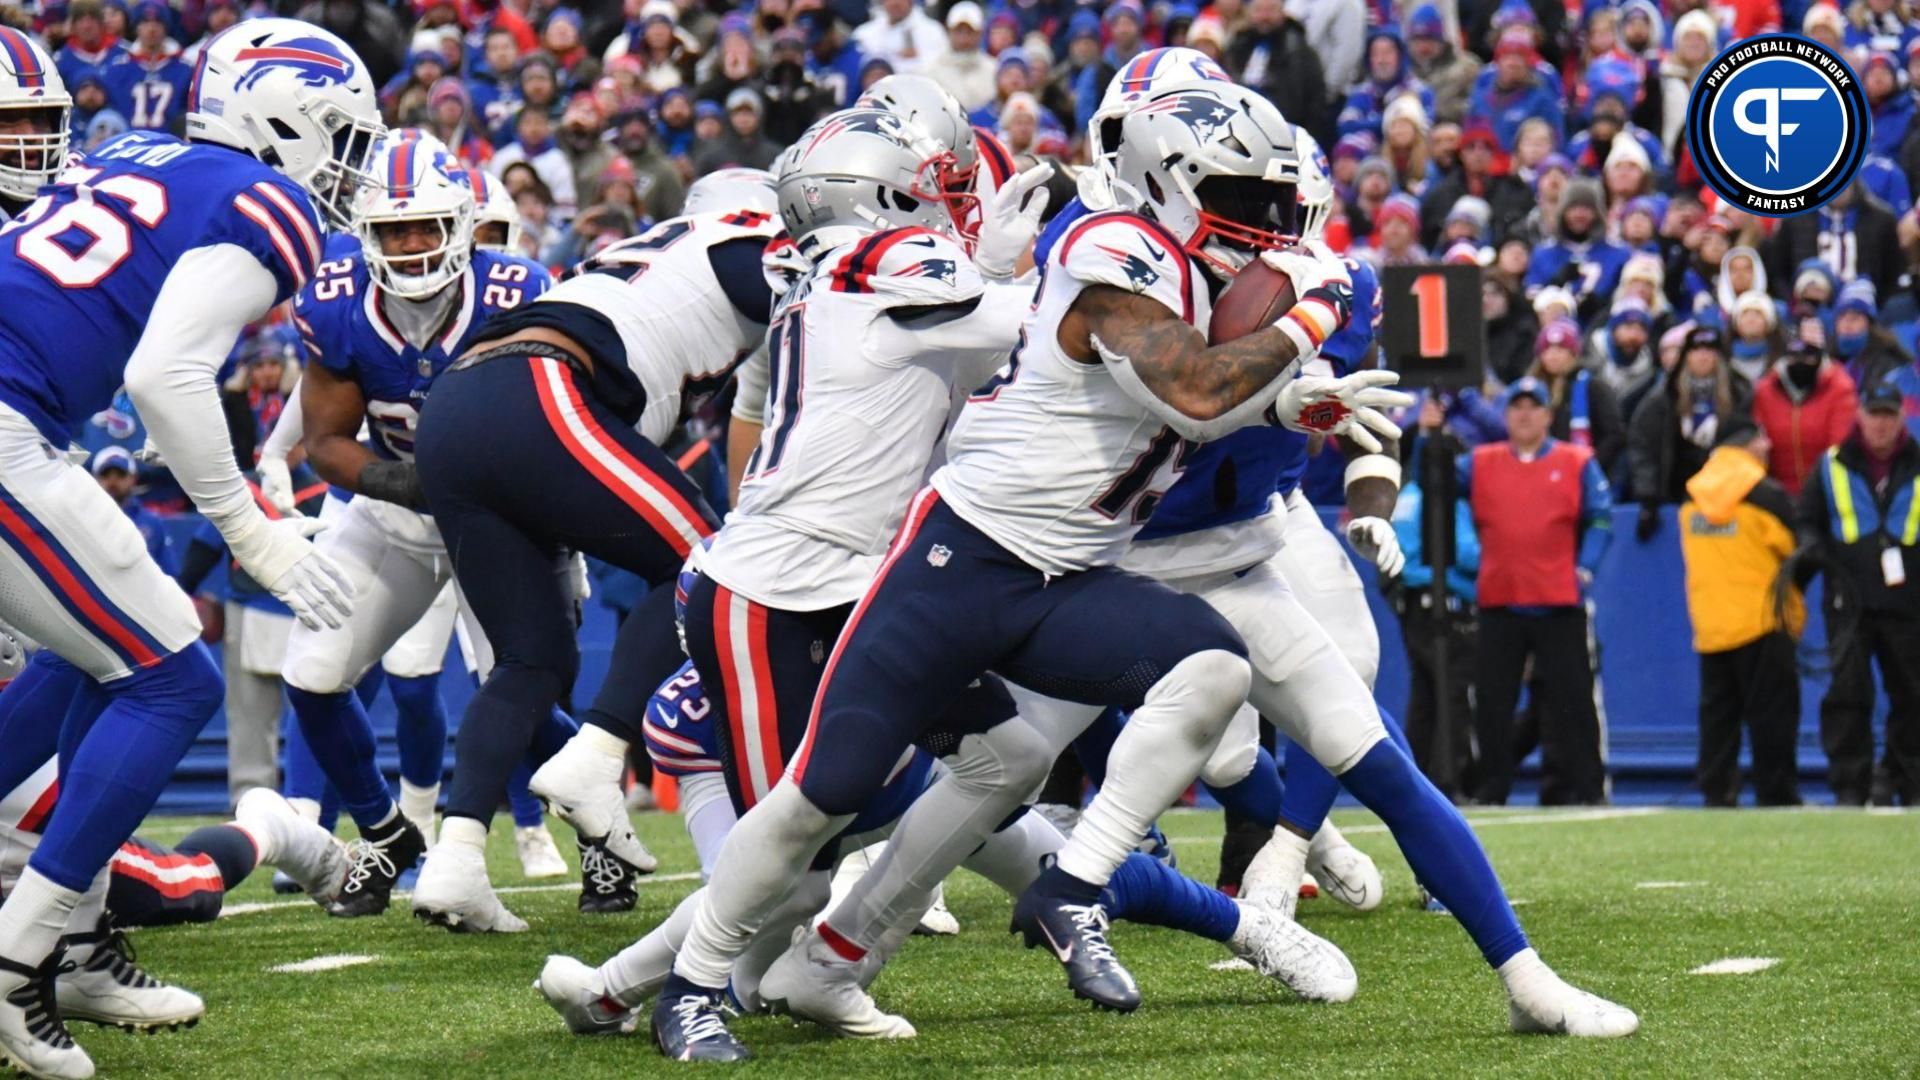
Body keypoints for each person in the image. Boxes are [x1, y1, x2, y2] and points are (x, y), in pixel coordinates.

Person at [0, 20, 383, 1078]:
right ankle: (21, 955)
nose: (349, 163)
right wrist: (248, 528)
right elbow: (165, 376)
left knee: (102, 656)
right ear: (284, 116)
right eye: (343, 135)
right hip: (6, 423)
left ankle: (70, 938)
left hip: (20, 420)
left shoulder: (127, 155)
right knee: (172, 678)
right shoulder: (272, 200)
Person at [413, 190, 782, 933]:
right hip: (543, 386)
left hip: (457, 408)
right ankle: (599, 756)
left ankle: (454, 860)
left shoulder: (658, 256)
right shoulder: (757, 242)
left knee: (531, 658)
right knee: (708, 562)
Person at [268, 135, 559, 921]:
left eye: (426, 226)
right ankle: (389, 833)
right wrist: (401, 479)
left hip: (501, 517)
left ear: (462, 225)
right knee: (314, 673)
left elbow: (558, 413)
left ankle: (596, 831)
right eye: (394, 230)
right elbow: (326, 440)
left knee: (524, 683)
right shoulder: (335, 299)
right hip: (393, 513)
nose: (410, 244)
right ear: (367, 235)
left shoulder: (517, 291)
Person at [1464, 378, 1614, 806]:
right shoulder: (1480, 461)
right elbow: (1435, 483)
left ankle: (1589, 789)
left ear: (1549, 415)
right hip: (1500, 599)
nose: (1525, 415)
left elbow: (1602, 516)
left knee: (1576, 703)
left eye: (1534, 407)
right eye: (1517, 407)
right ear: (1506, 414)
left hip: (1558, 601)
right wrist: (1429, 432)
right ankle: (1490, 788)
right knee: (1492, 703)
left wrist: (1586, 567)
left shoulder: (1577, 461)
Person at [1795, 385, 1920, 806]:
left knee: (1913, 693)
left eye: (1888, 414)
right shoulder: (1831, 465)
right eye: (1874, 414)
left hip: (1909, 602)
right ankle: (1851, 785)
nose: (1881, 423)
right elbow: (1807, 518)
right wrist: (1812, 548)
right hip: (1848, 599)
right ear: (1860, 416)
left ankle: (1910, 780)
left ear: (1901, 416)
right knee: (1848, 693)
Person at [1679, 419, 1805, 807]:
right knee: (1772, 716)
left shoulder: (1692, 496)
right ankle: (1776, 794)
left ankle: (1717, 793)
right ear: (1746, 444)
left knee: (1718, 717)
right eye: (1761, 438)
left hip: (1711, 621)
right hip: (1763, 620)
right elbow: (1799, 550)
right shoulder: (1766, 494)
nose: (1768, 445)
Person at [1751, 337, 1858, 498]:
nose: (1801, 362)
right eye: (1794, 356)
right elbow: (1758, 444)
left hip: (1827, 491)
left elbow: (1840, 447)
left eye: (1809, 357)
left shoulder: (1840, 389)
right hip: (1777, 492)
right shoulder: (1765, 391)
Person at [88, 447, 171, 575]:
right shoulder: (82, 519)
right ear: (94, 478)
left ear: (133, 478)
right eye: (105, 475)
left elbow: (169, 573)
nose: (112, 481)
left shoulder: (152, 523)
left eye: (120, 475)